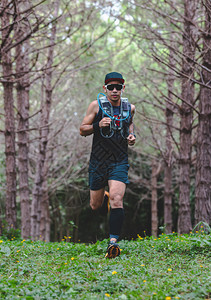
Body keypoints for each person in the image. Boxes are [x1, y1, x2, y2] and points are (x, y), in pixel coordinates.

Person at [79, 72, 136, 258]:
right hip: (98, 161)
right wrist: (98, 125)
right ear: (105, 89)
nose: (114, 90)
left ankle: (113, 243)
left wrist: (131, 136)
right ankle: (104, 195)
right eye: (110, 87)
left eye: (118, 87)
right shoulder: (96, 106)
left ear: (123, 88)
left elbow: (130, 124)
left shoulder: (130, 108)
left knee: (117, 199)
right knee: (95, 206)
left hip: (119, 161)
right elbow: (82, 130)